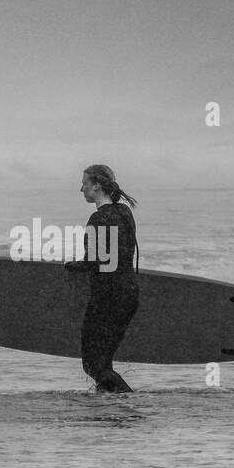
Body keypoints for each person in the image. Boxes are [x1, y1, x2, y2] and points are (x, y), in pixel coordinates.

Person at [64, 164, 139, 392]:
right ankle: (107, 406)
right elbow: (120, 253)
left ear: (96, 186)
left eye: (85, 184)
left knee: (93, 364)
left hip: (107, 299)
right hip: (129, 295)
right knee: (103, 363)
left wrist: (71, 266)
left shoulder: (98, 219)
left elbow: (94, 260)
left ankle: (128, 400)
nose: (81, 189)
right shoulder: (125, 212)